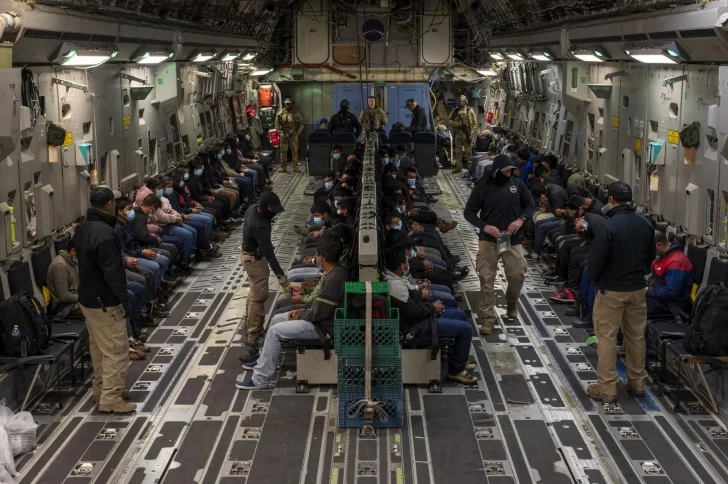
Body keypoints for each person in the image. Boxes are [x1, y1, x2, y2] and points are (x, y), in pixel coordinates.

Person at [237, 236, 348, 389]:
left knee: (275, 332)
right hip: (319, 319)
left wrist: (300, 314)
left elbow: (319, 313)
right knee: (277, 319)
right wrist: (302, 310)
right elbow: (318, 306)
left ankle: (260, 379)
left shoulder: (334, 280)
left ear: (321, 257)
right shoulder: (335, 272)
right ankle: (264, 360)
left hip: (323, 328)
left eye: (317, 255)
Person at [586, 181, 655, 403]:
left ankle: (606, 387)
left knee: (606, 336)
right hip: (637, 289)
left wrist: (596, 279)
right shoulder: (646, 224)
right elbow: (650, 258)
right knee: (635, 336)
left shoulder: (608, 226)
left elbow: (595, 262)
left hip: (611, 290)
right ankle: (637, 382)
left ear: (611, 200)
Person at [73, 187, 135, 414]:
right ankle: (111, 398)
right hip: (104, 302)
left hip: (87, 298)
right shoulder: (106, 233)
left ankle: (101, 390)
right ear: (110, 204)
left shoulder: (83, 228)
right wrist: (124, 301)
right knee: (116, 350)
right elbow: (113, 272)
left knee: (99, 348)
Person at [383, 246, 477, 384]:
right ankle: (456, 371)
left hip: (420, 318)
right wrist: (432, 308)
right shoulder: (395, 286)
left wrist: (427, 302)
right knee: (466, 329)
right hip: (417, 327)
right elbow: (412, 311)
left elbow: (412, 302)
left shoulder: (396, 277)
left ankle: (457, 359)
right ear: (402, 266)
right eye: (407, 262)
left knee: (460, 315)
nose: (409, 264)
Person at [464, 155, 535, 335]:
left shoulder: (517, 184)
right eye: (505, 171)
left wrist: (521, 219)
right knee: (486, 277)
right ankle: (488, 316)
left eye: (511, 171)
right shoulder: (482, 187)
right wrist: (484, 226)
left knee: (517, 274)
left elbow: (530, 205)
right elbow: (469, 212)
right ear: (496, 171)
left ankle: (511, 302)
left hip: (511, 238)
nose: (509, 174)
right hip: (489, 239)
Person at [240, 191, 290, 352]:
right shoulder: (260, 226)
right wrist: (281, 276)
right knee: (259, 296)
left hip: (247, 255)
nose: (274, 214)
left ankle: (246, 321)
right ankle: (254, 334)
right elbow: (269, 254)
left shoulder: (252, 208)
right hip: (254, 260)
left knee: (254, 290)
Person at [647, 231, 693, 318]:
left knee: (635, 308)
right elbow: (656, 278)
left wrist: (648, 291)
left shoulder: (676, 261)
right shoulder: (664, 256)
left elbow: (671, 292)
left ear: (659, 245)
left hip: (671, 306)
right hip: (660, 298)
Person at [47, 240, 81, 317]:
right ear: (73, 251)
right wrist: (84, 298)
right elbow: (64, 297)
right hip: (64, 307)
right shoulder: (60, 266)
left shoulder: (72, 261)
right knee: (95, 308)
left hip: (75, 298)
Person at [274, 97, 304, 173]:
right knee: (283, 152)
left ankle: (295, 167)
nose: (287, 105)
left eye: (289, 104)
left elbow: (301, 124)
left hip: (293, 135)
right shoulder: (281, 113)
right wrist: (280, 132)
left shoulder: (296, 114)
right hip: (284, 135)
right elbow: (277, 124)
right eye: (286, 104)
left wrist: (297, 133)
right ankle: (283, 167)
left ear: (292, 104)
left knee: (295, 151)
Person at [449, 95, 478, 172]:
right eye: (460, 101)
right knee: (458, 152)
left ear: (465, 102)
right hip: (458, 135)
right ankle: (458, 168)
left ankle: (470, 169)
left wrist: (471, 133)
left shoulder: (469, 111)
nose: (461, 103)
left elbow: (475, 123)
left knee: (468, 153)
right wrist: (457, 124)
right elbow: (449, 120)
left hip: (467, 135)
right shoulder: (455, 111)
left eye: (463, 101)